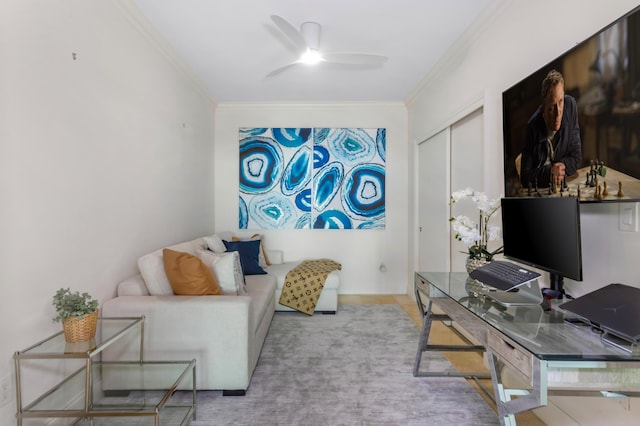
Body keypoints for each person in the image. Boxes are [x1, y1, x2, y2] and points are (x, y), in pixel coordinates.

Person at [520, 70, 582, 189]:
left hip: (562, 187)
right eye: (551, 107)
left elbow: (576, 157)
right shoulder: (532, 127)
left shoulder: (570, 106)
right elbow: (525, 177)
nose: (558, 112)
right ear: (543, 108)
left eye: (560, 101)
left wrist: (560, 168)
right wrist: (550, 173)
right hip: (542, 190)